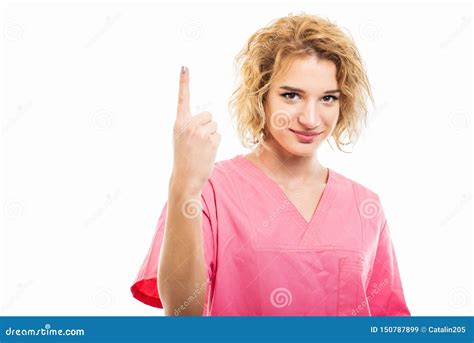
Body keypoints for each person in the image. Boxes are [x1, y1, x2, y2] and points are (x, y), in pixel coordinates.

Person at [130, 13, 411, 316]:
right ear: (260, 96)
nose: (311, 119)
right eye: (291, 96)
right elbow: (183, 314)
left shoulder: (364, 205)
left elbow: (388, 322)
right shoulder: (210, 190)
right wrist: (183, 184)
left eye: (328, 98)